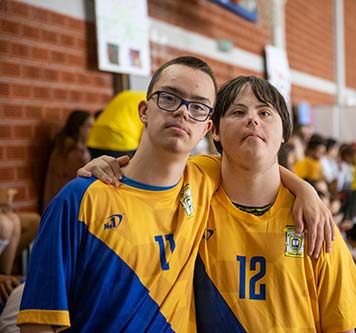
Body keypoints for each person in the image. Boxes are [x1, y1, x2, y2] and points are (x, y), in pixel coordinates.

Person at [18, 56, 332, 332]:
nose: (183, 112)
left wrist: (306, 189)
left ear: (207, 128)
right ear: (144, 109)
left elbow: (258, 163)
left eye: (197, 106)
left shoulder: (205, 178)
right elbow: (38, 320)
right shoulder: (80, 198)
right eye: (170, 98)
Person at [191, 76, 356, 331]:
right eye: (238, 111)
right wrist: (113, 164)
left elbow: (341, 326)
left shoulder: (316, 223)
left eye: (265, 112)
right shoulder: (192, 192)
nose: (252, 119)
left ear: (285, 133)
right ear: (216, 132)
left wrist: (305, 189)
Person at [42, 110, 94, 211]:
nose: (91, 130)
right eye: (89, 126)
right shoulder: (73, 153)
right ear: (78, 127)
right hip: (64, 205)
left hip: (59, 203)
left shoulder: (63, 146)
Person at [86, 90, 145, 159]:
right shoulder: (150, 102)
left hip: (95, 137)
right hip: (120, 141)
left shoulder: (127, 94)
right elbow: (146, 134)